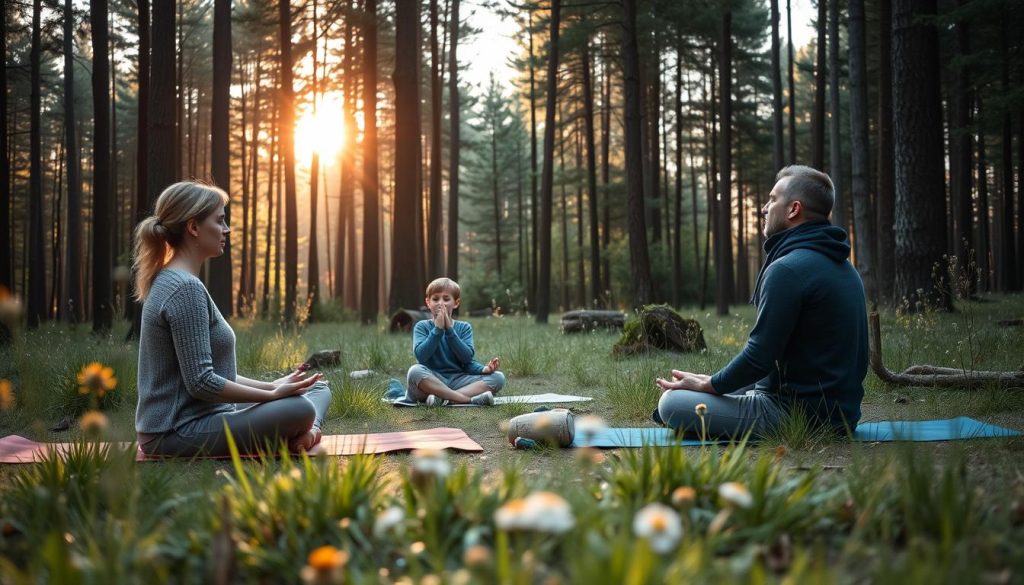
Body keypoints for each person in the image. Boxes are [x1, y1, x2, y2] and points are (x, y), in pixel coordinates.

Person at [655, 165, 868, 437]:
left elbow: (759, 358)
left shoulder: (787, 269)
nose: (764, 208)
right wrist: (711, 381)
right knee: (695, 385)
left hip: (798, 417)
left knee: (671, 403)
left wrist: (711, 386)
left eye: (772, 199)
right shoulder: (844, 267)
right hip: (842, 414)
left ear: (793, 210)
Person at [133, 181, 332, 457]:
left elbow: (216, 374)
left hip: (206, 413)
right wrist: (273, 396)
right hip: (176, 431)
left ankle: (305, 434)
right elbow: (201, 382)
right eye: (220, 221)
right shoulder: (183, 288)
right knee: (300, 408)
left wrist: (276, 385)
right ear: (193, 228)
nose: (226, 230)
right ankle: (306, 432)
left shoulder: (178, 280)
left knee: (318, 388)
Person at [405, 278, 506, 406]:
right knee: (414, 371)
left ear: (456, 303)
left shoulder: (464, 327)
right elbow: (421, 356)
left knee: (498, 378)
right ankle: (467, 399)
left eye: (446, 299)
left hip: (459, 379)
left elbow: (466, 358)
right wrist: (437, 330)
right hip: (431, 380)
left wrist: (484, 369)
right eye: (435, 299)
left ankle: (443, 398)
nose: (440, 303)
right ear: (428, 302)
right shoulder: (421, 326)